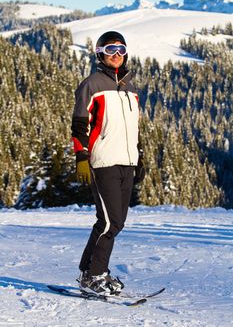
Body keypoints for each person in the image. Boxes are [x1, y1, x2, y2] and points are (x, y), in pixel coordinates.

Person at [71, 31, 145, 296]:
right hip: (103, 161)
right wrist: (81, 156)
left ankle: (87, 271)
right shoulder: (92, 85)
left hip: (126, 162)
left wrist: (140, 156)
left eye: (122, 50)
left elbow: (132, 128)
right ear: (100, 52)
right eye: (111, 48)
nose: (117, 54)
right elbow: (80, 124)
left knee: (111, 221)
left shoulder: (130, 89)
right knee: (110, 223)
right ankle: (94, 277)